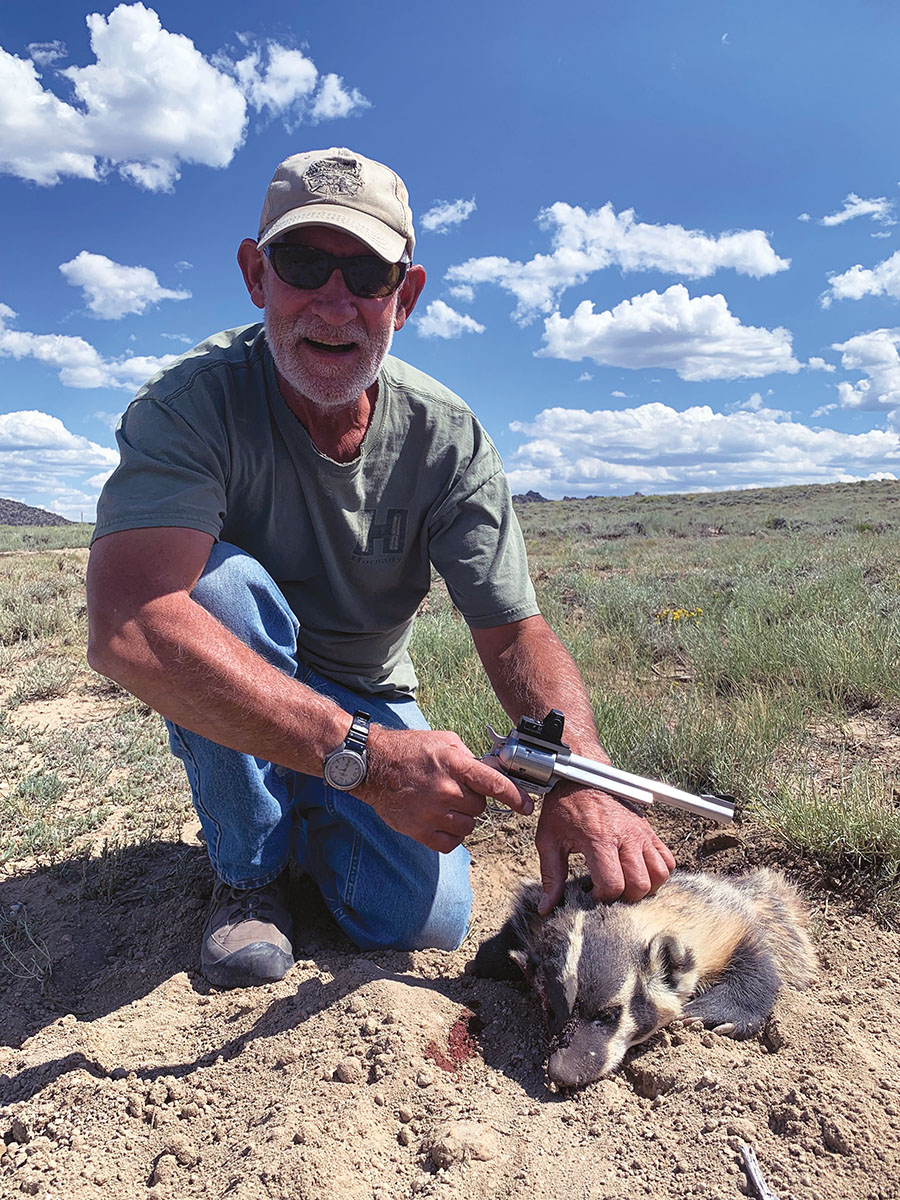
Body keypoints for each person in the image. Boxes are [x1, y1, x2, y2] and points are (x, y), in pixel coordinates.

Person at [86, 147, 674, 990]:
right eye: (303, 263)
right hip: (244, 658)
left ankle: (297, 796)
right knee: (217, 596)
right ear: (257, 275)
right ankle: (249, 874)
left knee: (426, 921)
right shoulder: (189, 405)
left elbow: (514, 633)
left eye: (367, 273)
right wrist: (372, 763)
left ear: (406, 295)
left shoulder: (447, 435)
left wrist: (581, 775)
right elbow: (130, 620)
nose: (335, 301)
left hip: (367, 686)